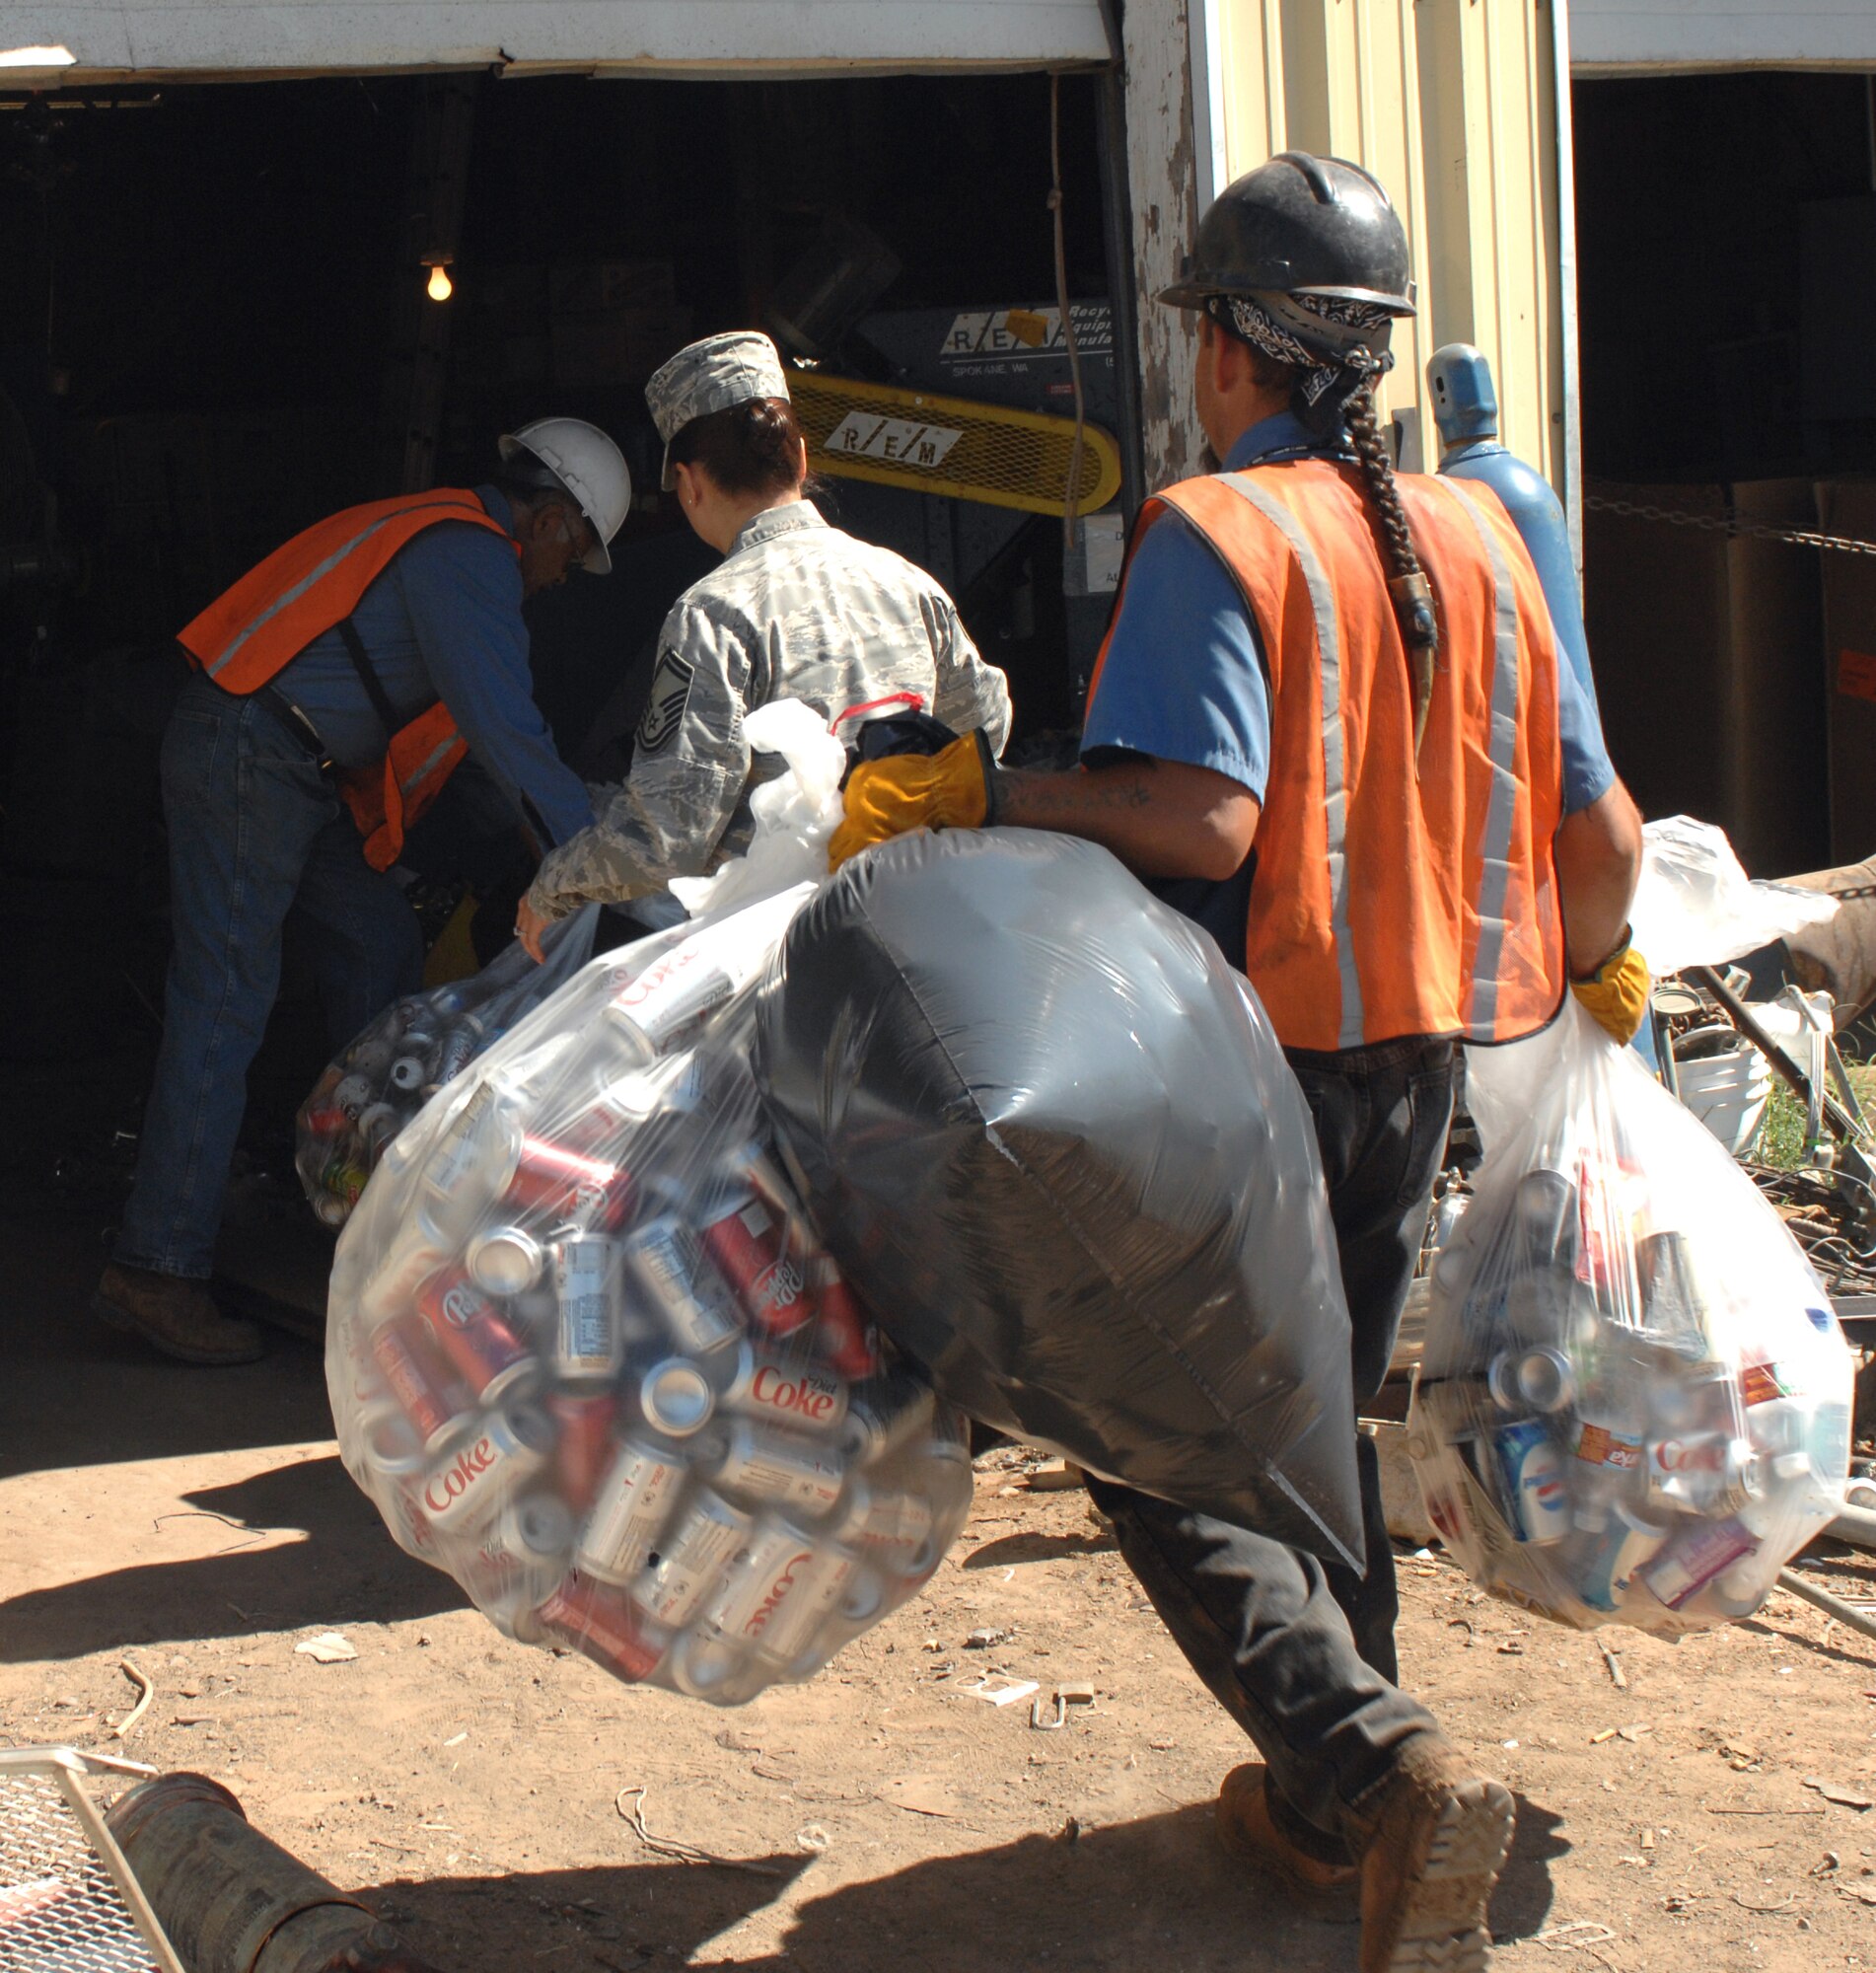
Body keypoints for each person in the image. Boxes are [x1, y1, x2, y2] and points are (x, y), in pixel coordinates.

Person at [833, 151, 1646, 1973]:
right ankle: (1333, 1810)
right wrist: (1608, 988)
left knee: (1140, 1434)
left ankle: (1370, 1765)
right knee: (1307, 1439)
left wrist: (981, 787)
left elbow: (1197, 818)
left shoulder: (1220, 532)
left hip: (1245, 1072)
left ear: (1228, 351)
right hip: (1419, 1060)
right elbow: (1598, 827)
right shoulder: (1487, 536)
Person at [96, 418, 632, 1366]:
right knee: (224, 1001)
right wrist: (594, 857)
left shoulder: (442, 537)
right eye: (573, 554)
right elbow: (506, 732)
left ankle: (357, 1203)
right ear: (549, 520)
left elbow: (473, 753)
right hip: (252, 754)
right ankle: (158, 1264)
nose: (559, 579)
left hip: (291, 769)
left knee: (379, 941)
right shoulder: (469, 557)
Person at [514, 331, 1010, 951]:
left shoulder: (713, 614)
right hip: (929, 927)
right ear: (800, 458)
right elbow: (983, 733)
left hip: (790, 965)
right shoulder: (907, 583)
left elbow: (668, 834)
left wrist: (551, 889)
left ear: (689, 486)